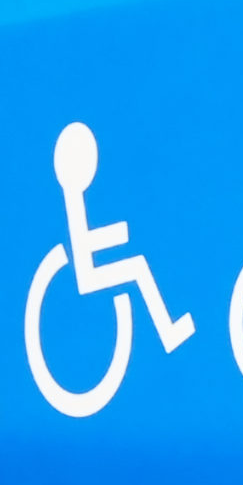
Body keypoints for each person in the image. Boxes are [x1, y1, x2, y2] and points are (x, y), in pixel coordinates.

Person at [52, 121, 194, 350]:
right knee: (138, 267)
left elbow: (85, 239)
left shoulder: (72, 191)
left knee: (137, 265)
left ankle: (169, 331)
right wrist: (117, 234)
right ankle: (169, 331)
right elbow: (82, 244)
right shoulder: (73, 192)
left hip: (86, 265)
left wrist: (116, 235)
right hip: (87, 273)